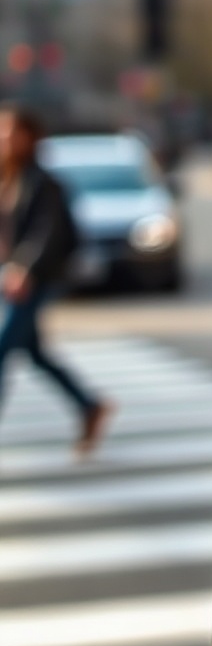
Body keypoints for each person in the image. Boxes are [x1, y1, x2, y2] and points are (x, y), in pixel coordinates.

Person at [0, 104, 112, 456]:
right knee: (34, 353)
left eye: (11, 133)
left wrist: (24, 269)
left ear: (30, 138)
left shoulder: (43, 182)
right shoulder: (9, 178)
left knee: (2, 350)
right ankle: (88, 405)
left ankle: (89, 406)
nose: (5, 139)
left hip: (36, 279)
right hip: (13, 278)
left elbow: (46, 234)